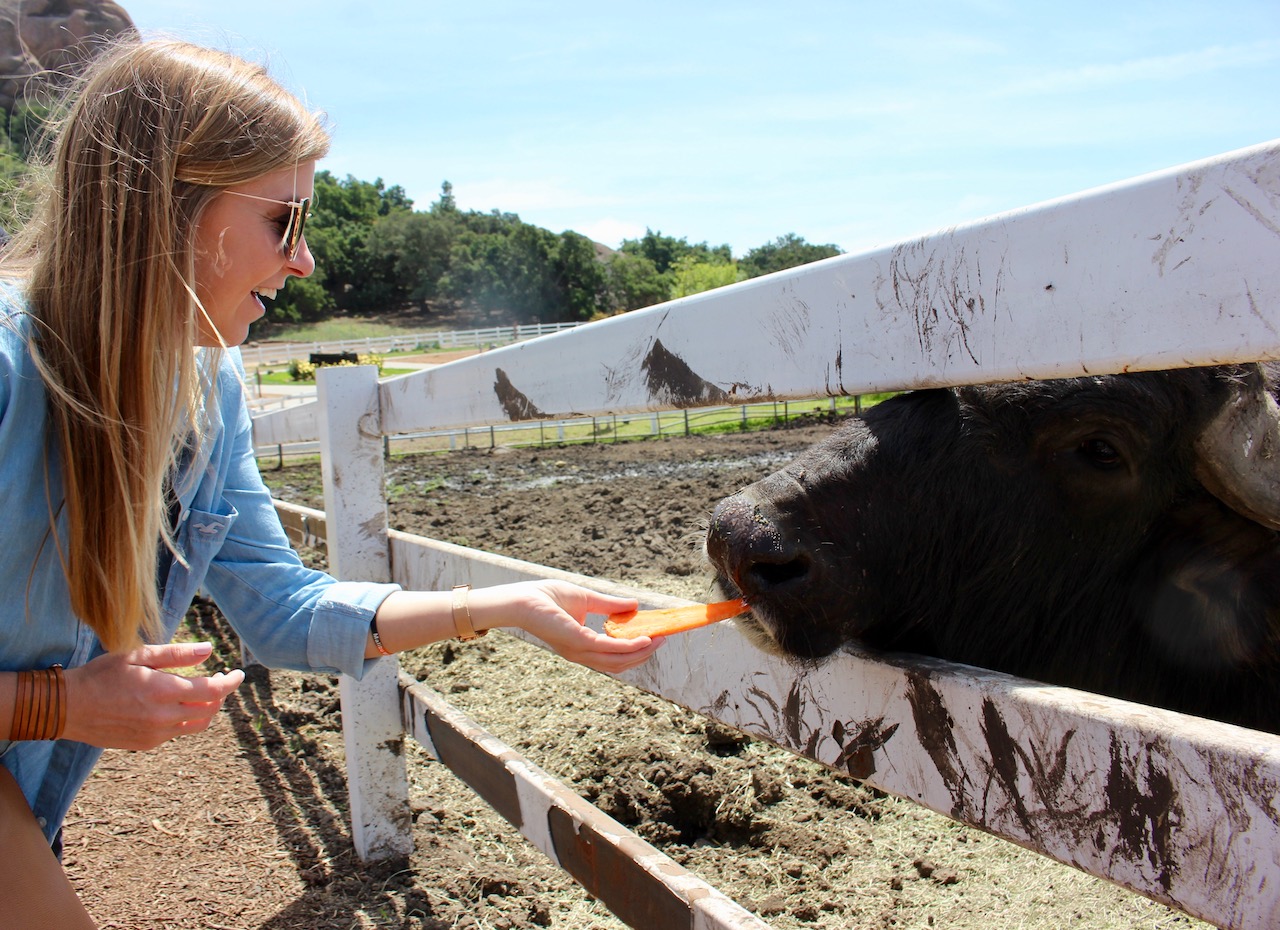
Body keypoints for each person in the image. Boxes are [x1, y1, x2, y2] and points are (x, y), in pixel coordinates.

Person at [0, 38, 660, 927]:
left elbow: (281, 608)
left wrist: (505, 605)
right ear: (170, 210)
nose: (305, 261)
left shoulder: (203, 391)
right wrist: (61, 702)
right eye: (286, 221)